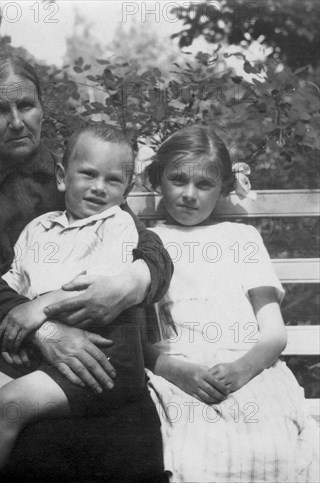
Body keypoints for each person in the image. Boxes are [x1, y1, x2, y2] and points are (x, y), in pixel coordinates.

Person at [0, 51, 173, 482]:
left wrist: (133, 281)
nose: (16, 121)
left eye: (25, 105)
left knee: (77, 437)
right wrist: (45, 329)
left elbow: (150, 249)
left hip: (103, 354)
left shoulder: (88, 172)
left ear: (42, 108)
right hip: (25, 353)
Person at [143, 125, 319, 482]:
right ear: (158, 180)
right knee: (188, 451)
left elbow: (273, 334)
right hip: (175, 372)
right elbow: (132, 332)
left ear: (223, 187)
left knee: (271, 446)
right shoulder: (147, 242)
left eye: (204, 185)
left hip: (247, 366)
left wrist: (242, 369)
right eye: (178, 180)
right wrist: (171, 369)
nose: (190, 194)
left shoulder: (241, 238)